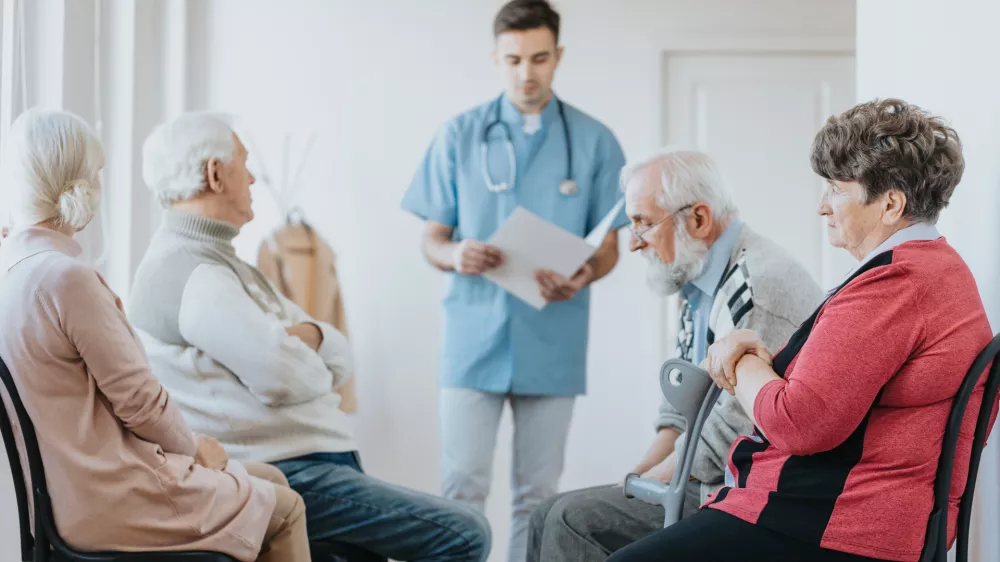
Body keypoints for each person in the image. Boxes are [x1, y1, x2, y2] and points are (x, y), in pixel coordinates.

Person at [608, 100, 997, 562]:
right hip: (840, 518)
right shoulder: (935, 271)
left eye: (836, 189)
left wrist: (741, 358)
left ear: (890, 204)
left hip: (830, 526)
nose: (822, 206)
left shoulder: (895, 284)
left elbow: (797, 423)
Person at [129, 111, 491, 562]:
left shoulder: (224, 264)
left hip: (308, 463)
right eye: (244, 162)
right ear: (216, 174)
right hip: (284, 470)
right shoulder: (193, 273)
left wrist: (309, 338)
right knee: (465, 534)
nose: (253, 178)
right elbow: (288, 378)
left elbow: (336, 352)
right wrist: (303, 347)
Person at [0, 108, 310, 561]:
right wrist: (194, 450)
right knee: (286, 509)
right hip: (111, 496)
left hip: (65, 497)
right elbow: (140, 403)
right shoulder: (66, 280)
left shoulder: (13, 274)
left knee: (271, 481)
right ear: (81, 186)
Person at [401, 1, 629, 559]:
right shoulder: (459, 135)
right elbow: (431, 239)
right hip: (472, 337)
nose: (527, 72)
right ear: (496, 59)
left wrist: (583, 275)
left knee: (539, 495)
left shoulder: (595, 141)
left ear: (559, 56)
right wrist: (455, 254)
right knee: (462, 487)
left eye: (539, 58)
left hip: (553, 338)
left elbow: (609, 247)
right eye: (514, 60)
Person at [527, 148, 824, 561]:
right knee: (545, 513)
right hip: (709, 474)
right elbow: (679, 410)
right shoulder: (698, 276)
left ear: (698, 219)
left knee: (571, 519)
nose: (634, 243)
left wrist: (652, 482)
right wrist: (636, 478)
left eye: (643, 223)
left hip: (747, 489)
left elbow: (736, 429)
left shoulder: (756, 285)